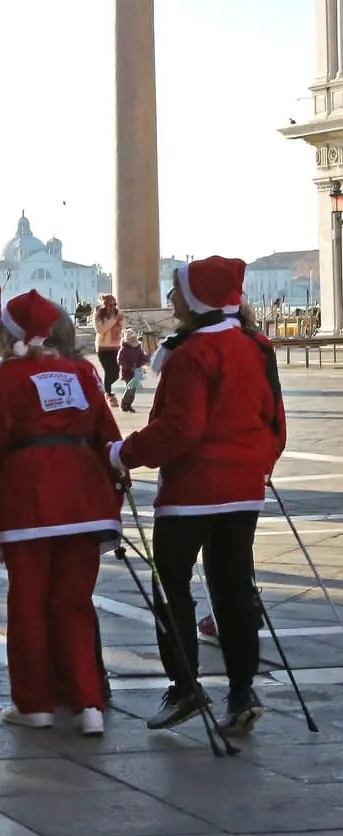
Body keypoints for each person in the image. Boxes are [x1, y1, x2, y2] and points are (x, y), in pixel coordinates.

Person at [114, 257, 286, 737]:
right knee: (232, 587)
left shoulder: (190, 353)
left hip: (193, 489)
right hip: (244, 489)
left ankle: (185, 684)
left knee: (170, 583)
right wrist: (260, 466)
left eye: (176, 292)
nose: (170, 300)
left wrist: (122, 454)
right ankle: (241, 690)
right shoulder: (256, 344)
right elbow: (275, 419)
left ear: (195, 299)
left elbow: (180, 429)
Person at [0, 290, 122, 736]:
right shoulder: (83, 371)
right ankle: (88, 704)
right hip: (84, 494)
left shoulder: (8, 376)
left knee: (27, 603)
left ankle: (34, 702)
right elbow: (107, 434)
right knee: (74, 603)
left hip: (30, 495)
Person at [94, 293, 124, 396]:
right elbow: (100, 329)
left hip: (116, 347)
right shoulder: (98, 314)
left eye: (115, 304)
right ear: (104, 305)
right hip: (103, 348)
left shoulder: (117, 313)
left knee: (116, 372)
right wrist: (114, 319)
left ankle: (104, 389)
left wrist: (121, 319)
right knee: (109, 371)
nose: (113, 307)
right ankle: (108, 393)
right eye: (110, 305)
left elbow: (124, 327)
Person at [117, 333, 150, 412]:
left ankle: (128, 405)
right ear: (127, 340)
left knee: (133, 390)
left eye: (134, 339)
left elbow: (143, 358)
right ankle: (124, 404)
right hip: (127, 373)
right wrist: (129, 367)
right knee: (129, 389)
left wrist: (142, 364)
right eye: (131, 339)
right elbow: (120, 360)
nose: (133, 341)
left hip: (136, 373)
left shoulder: (138, 349)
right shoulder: (123, 349)